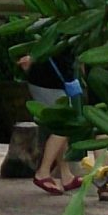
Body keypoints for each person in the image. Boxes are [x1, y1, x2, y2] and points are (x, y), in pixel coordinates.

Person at [17, 46, 85, 195]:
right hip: (50, 81)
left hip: (47, 79)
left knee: (60, 127)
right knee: (63, 127)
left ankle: (66, 175)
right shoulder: (65, 31)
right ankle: (43, 172)